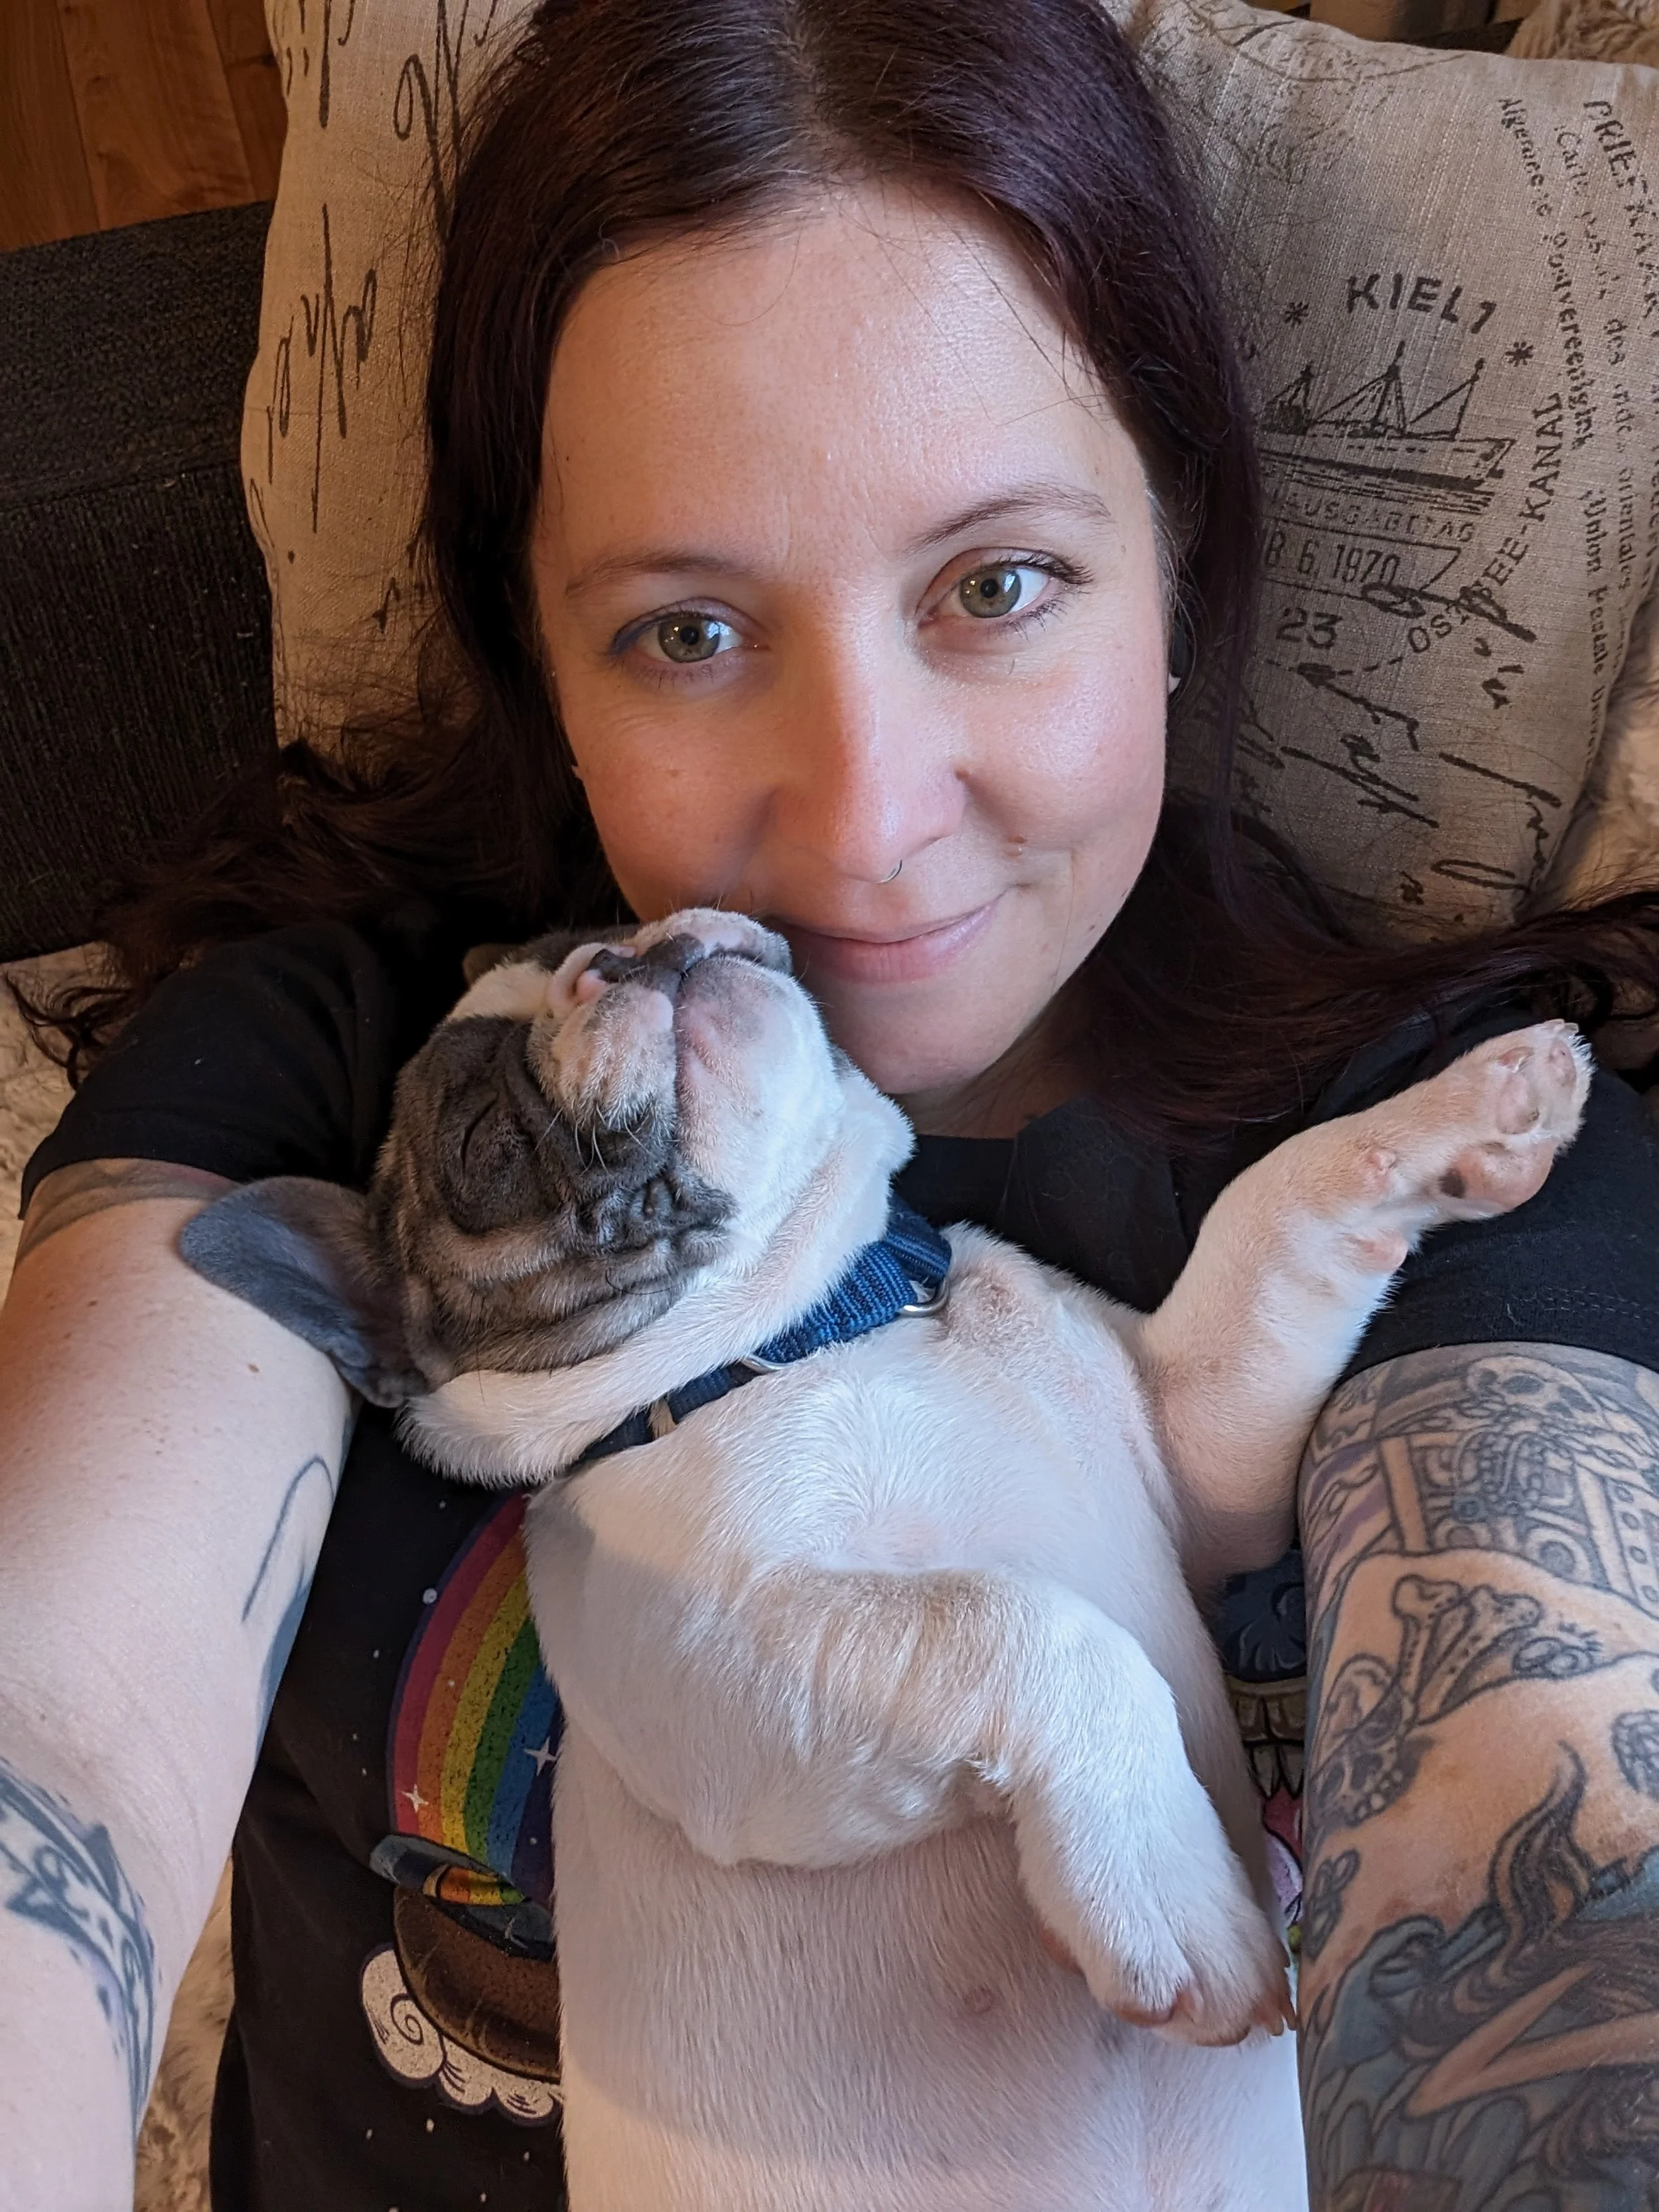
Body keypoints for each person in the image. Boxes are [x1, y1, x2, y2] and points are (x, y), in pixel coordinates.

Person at [4, 0, 1659, 2203]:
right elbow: (61, 1730)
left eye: (996, 584)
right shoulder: (342, 1095)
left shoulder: (1468, 1149)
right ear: (533, 640)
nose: (868, 821)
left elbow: (1552, 1837)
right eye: (686, 630)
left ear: (1174, 556)